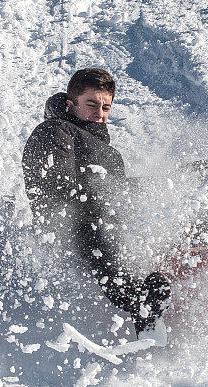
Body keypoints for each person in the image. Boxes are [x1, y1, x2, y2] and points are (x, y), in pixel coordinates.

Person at [22, 68, 171, 338]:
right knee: (94, 228)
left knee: (167, 224)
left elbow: (120, 192)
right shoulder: (54, 131)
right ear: (71, 103)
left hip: (105, 225)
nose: (99, 113)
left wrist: (170, 186)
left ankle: (188, 287)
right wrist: (97, 204)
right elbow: (54, 185)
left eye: (106, 107)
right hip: (66, 229)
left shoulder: (111, 154)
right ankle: (140, 307)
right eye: (91, 104)